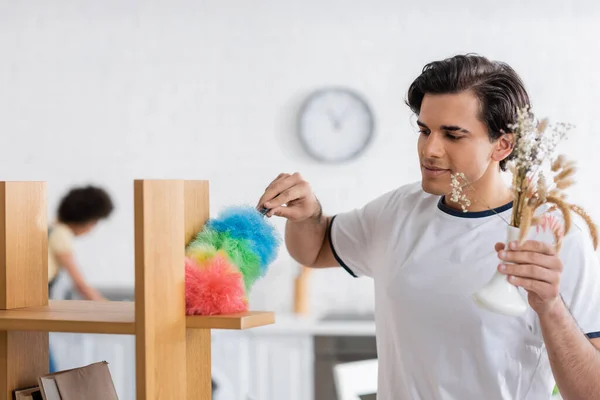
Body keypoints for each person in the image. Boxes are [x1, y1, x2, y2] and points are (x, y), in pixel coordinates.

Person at [257, 54, 600, 399]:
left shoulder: (555, 236)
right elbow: (314, 249)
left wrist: (551, 307)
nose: (429, 149)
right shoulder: (398, 211)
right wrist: (308, 213)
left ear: (503, 144)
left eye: (453, 135)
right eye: (424, 130)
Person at [48, 185, 114, 371]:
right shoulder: (61, 234)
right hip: (26, 309)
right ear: (86, 220)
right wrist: (108, 307)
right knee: (45, 368)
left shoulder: (50, 228)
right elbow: (81, 284)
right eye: (94, 223)